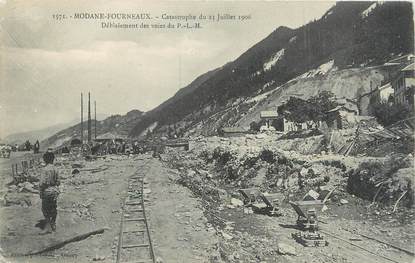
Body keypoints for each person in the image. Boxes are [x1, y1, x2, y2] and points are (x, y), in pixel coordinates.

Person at [39, 148, 60, 233]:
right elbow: (58, 182)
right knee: (53, 208)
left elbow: (42, 183)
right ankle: (53, 223)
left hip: (47, 191)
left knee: (45, 209)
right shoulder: (56, 169)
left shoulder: (44, 170)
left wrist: (41, 191)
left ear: (45, 160)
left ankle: (48, 227)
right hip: (54, 191)